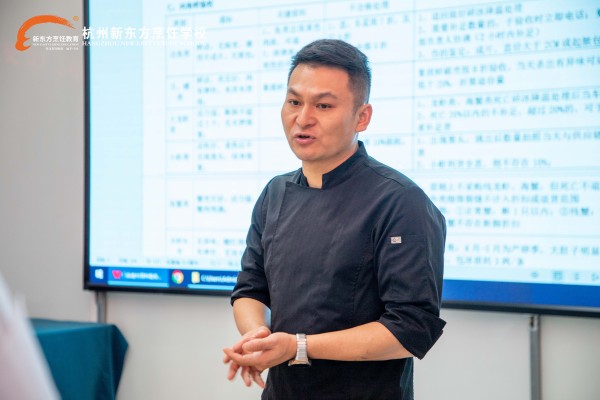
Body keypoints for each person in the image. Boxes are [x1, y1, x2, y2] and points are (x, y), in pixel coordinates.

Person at [223, 38, 446, 400]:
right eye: (294, 102)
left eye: (323, 105)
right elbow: (250, 289)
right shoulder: (275, 193)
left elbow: (411, 328)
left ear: (362, 117)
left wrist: (298, 346)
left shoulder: (400, 201)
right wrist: (256, 336)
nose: (303, 118)